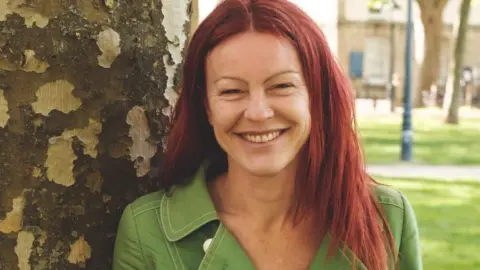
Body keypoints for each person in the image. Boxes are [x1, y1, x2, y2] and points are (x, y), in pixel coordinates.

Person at [112, 0, 422, 269]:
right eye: (232, 91)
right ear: (205, 107)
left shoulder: (385, 219)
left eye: (282, 86)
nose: (258, 113)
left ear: (317, 95)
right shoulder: (146, 231)